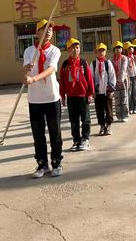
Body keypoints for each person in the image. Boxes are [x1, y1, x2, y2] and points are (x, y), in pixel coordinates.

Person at [23, 19, 63, 178]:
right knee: (38, 134)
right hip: (35, 99)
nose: (48, 32)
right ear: (37, 32)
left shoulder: (55, 51)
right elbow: (24, 72)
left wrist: (34, 79)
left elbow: (51, 70)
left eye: (50, 30)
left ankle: (57, 163)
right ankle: (42, 164)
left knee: (55, 132)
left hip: (51, 97)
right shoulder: (29, 51)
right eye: (44, 29)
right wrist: (26, 70)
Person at [59, 38, 95, 151]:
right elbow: (62, 81)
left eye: (77, 47)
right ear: (68, 50)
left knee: (85, 119)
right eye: (72, 48)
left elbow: (89, 79)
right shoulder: (65, 65)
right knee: (73, 120)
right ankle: (76, 140)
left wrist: (90, 94)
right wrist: (63, 95)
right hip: (71, 97)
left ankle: (85, 139)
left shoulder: (83, 63)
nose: (75, 50)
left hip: (82, 96)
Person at [91, 42, 116, 135]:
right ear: (96, 52)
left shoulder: (107, 63)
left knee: (108, 109)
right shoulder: (93, 64)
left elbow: (112, 76)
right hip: (98, 92)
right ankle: (102, 125)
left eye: (103, 50)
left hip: (106, 91)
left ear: (105, 52)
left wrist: (111, 89)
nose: (101, 52)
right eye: (99, 50)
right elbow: (91, 77)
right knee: (99, 110)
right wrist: (93, 90)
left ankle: (108, 126)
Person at [112, 40, 129, 122]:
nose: (118, 49)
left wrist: (120, 80)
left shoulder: (124, 58)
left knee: (124, 98)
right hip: (115, 82)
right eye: (116, 48)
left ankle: (125, 115)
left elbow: (123, 69)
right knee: (117, 98)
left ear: (122, 49)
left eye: (119, 48)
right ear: (114, 50)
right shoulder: (112, 60)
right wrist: (114, 81)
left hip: (123, 81)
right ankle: (119, 115)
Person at [124, 41, 136, 114]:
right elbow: (125, 69)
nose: (131, 49)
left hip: (135, 76)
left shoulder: (134, 57)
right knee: (129, 93)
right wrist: (126, 77)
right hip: (128, 77)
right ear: (126, 50)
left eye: (131, 47)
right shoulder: (125, 58)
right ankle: (130, 107)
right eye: (129, 48)